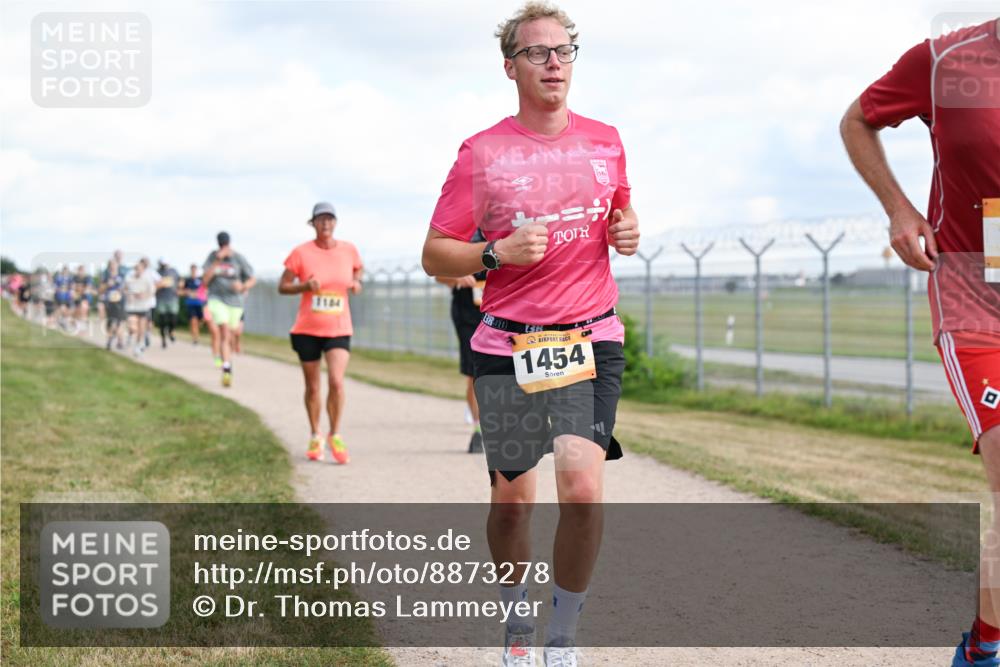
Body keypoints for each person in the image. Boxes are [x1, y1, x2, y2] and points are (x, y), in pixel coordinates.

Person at [421, 4, 639, 665]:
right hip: (510, 344)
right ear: (510, 66)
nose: (553, 63)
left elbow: (620, 211)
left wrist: (627, 232)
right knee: (514, 502)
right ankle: (518, 621)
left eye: (565, 50)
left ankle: (563, 633)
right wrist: (496, 253)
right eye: (538, 52)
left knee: (581, 489)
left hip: (590, 337)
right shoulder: (481, 154)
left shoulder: (606, 139)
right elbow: (436, 254)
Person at [840, 17, 1000, 667]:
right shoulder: (947, 59)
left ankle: (987, 635)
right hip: (974, 296)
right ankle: (985, 653)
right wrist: (900, 210)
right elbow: (858, 119)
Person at [279, 202, 363, 464]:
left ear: (335, 223)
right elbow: (283, 286)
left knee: (337, 381)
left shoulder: (349, 250)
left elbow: (358, 269)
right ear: (312, 223)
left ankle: (334, 434)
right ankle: (315, 434)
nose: (325, 223)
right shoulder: (301, 253)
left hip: (338, 327)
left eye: (330, 219)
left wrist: (357, 282)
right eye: (320, 219)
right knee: (313, 387)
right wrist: (304, 286)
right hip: (307, 329)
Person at [436, 228, 488, 453]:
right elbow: (438, 273)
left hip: (498, 312)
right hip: (467, 313)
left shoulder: (506, 233)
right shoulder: (463, 235)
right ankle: (479, 431)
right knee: (474, 371)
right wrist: (456, 277)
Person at [203, 231, 255, 387]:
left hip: (235, 302)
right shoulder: (212, 257)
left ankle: (227, 361)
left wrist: (243, 286)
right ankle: (226, 369)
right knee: (224, 332)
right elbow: (205, 281)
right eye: (220, 244)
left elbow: (252, 278)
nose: (222, 246)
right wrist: (217, 261)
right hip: (217, 299)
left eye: (224, 243)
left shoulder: (238, 258)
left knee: (231, 335)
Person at [124, 258, 158, 357]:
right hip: (132, 307)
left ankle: (138, 347)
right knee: (133, 326)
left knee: (141, 329)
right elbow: (124, 289)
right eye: (137, 268)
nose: (138, 270)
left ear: (143, 269)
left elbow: (152, 291)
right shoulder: (129, 278)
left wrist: (145, 295)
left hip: (143, 307)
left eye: (140, 268)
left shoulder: (147, 279)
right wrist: (129, 294)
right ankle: (130, 335)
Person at [154, 258, 181, 349]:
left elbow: (180, 281)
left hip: (172, 298)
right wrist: (160, 285)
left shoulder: (174, 271)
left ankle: (171, 331)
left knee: (173, 318)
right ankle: (163, 341)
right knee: (162, 321)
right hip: (161, 299)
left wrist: (180, 286)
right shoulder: (157, 272)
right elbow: (154, 286)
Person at [102, 258, 127, 350]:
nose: (113, 266)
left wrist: (122, 290)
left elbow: (127, 288)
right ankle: (112, 340)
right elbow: (100, 290)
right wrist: (107, 285)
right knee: (111, 322)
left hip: (120, 302)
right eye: (111, 264)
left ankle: (118, 341)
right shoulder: (106, 277)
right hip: (109, 302)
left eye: (114, 264)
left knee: (119, 323)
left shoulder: (122, 276)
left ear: (117, 265)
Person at [181, 264, 206, 345]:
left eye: (195, 270)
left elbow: (205, 290)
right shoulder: (187, 280)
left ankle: (195, 333)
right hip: (190, 303)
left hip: (200, 303)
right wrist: (188, 292)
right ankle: (195, 339)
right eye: (192, 270)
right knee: (193, 321)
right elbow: (182, 291)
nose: (193, 271)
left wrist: (198, 294)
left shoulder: (200, 280)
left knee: (201, 321)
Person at [71, 264, 93, 335]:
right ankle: (79, 326)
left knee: (83, 310)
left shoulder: (87, 278)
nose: (81, 272)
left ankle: (83, 327)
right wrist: (76, 289)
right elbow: (73, 287)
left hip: (85, 297)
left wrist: (80, 288)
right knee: (76, 312)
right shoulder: (75, 277)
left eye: (82, 270)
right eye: (79, 270)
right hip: (77, 296)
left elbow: (87, 288)